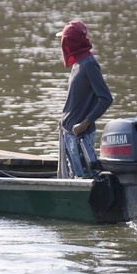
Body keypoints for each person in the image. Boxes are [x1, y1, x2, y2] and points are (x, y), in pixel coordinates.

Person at [58, 20, 113, 178]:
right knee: (75, 177)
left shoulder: (89, 64)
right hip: (69, 135)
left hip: (80, 137)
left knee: (87, 178)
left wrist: (84, 123)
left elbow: (106, 98)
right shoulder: (78, 63)